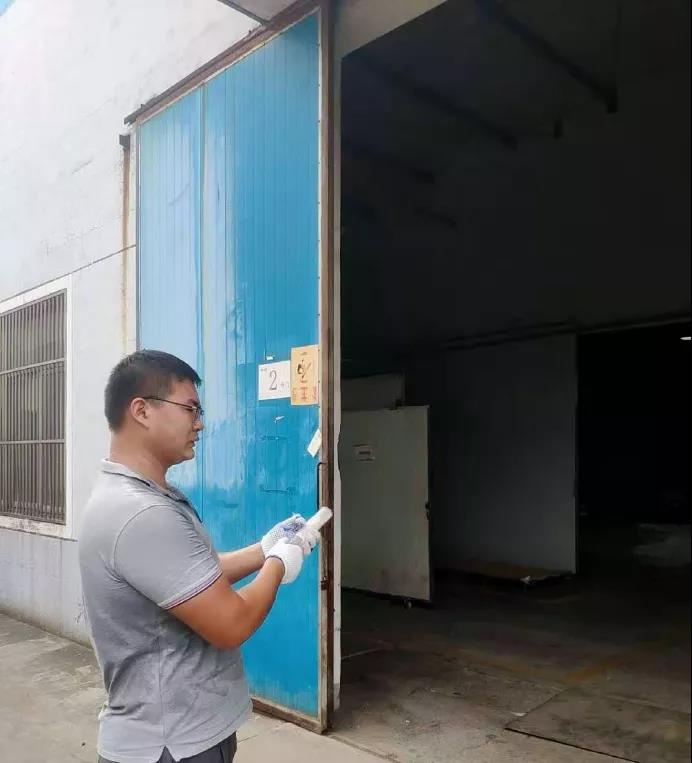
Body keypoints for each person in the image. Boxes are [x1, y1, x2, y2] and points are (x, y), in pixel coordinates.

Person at [79, 350, 321, 763]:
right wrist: (282, 561)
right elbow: (231, 623)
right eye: (190, 408)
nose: (200, 423)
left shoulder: (144, 497)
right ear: (142, 410)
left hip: (181, 735)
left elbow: (192, 579)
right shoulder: (141, 513)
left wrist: (263, 549)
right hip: (171, 745)